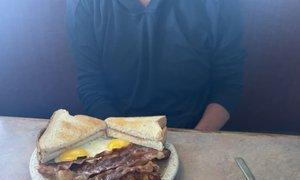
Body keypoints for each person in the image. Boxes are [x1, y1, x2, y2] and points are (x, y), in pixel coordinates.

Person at [66, 0, 245, 130]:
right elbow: (91, 84)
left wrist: (197, 140)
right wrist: (126, 143)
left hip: (195, 130)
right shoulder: (84, 4)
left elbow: (228, 84)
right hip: (116, 133)